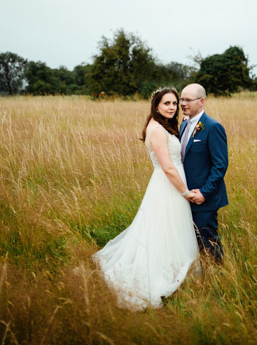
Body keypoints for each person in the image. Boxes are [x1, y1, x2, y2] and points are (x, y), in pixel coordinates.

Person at [93, 87, 199, 311]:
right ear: (156, 105)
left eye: (174, 103)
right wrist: (185, 192)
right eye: (166, 104)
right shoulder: (158, 130)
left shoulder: (160, 125)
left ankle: (174, 267)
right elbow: (168, 168)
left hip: (169, 184)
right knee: (164, 229)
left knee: (166, 229)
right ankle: (162, 273)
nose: (171, 108)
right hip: (169, 186)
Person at [179, 83, 228, 264]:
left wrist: (204, 193)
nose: (183, 103)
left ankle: (218, 279)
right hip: (186, 195)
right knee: (191, 242)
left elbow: (220, 165)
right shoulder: (184, 125)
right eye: (182, 99)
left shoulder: (213, 127)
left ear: (201, 101)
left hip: (204, 199)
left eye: (188, 100)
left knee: (209, 243)